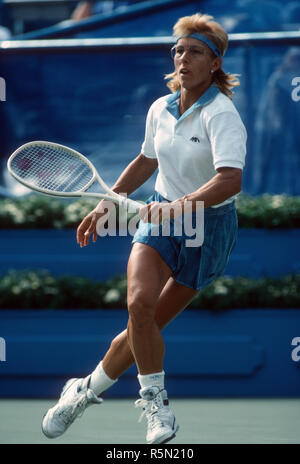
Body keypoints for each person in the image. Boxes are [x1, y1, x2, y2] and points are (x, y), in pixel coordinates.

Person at [41, 13, 247, 444]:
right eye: (178, 50)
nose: (182, 58)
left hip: (207, 229)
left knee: (148, 324)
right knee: (139, 305)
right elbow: (147, 161)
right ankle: (157, 406)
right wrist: (107, 202)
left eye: (194, 52)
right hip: (160, 218)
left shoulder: (223, 115)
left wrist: (180, 208)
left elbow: (230, 180)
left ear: (214, 63)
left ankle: (82, 391)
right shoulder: (160, 108)